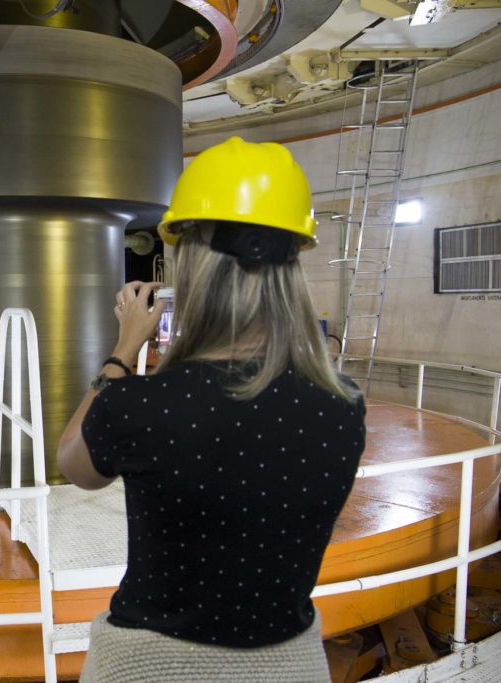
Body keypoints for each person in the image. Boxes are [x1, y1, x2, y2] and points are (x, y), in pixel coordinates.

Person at [57, 137, 367, 683]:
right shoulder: (343, 407)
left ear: (193, 267)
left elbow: (74, 466)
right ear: (292, 263)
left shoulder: (141, 405)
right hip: (290, 666)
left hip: (149, 667)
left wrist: (124, 349)